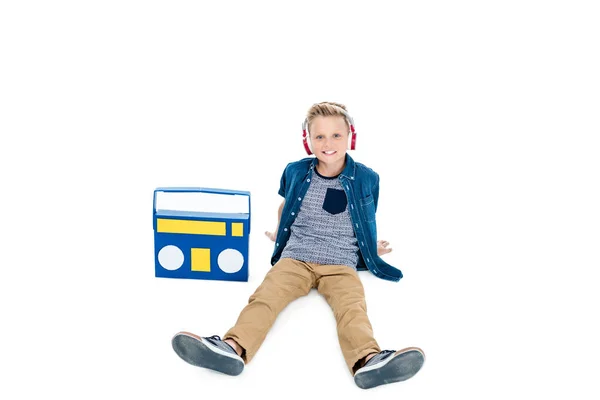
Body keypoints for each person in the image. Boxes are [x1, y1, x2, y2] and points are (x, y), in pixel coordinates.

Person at [172, 102, 425, 389]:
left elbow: (365, 215)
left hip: (340, 262)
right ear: (308, 141)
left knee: (352, 308)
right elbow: (287, 205)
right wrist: (279, 233)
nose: (327, 144)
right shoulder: (295, 171)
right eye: (319, 137)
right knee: (265, 297)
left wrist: (370, 246)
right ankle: (232, 348)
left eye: (336, 136)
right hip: (296, 257)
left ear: (350, 137)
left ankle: (368, 361)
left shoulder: (367, 178)